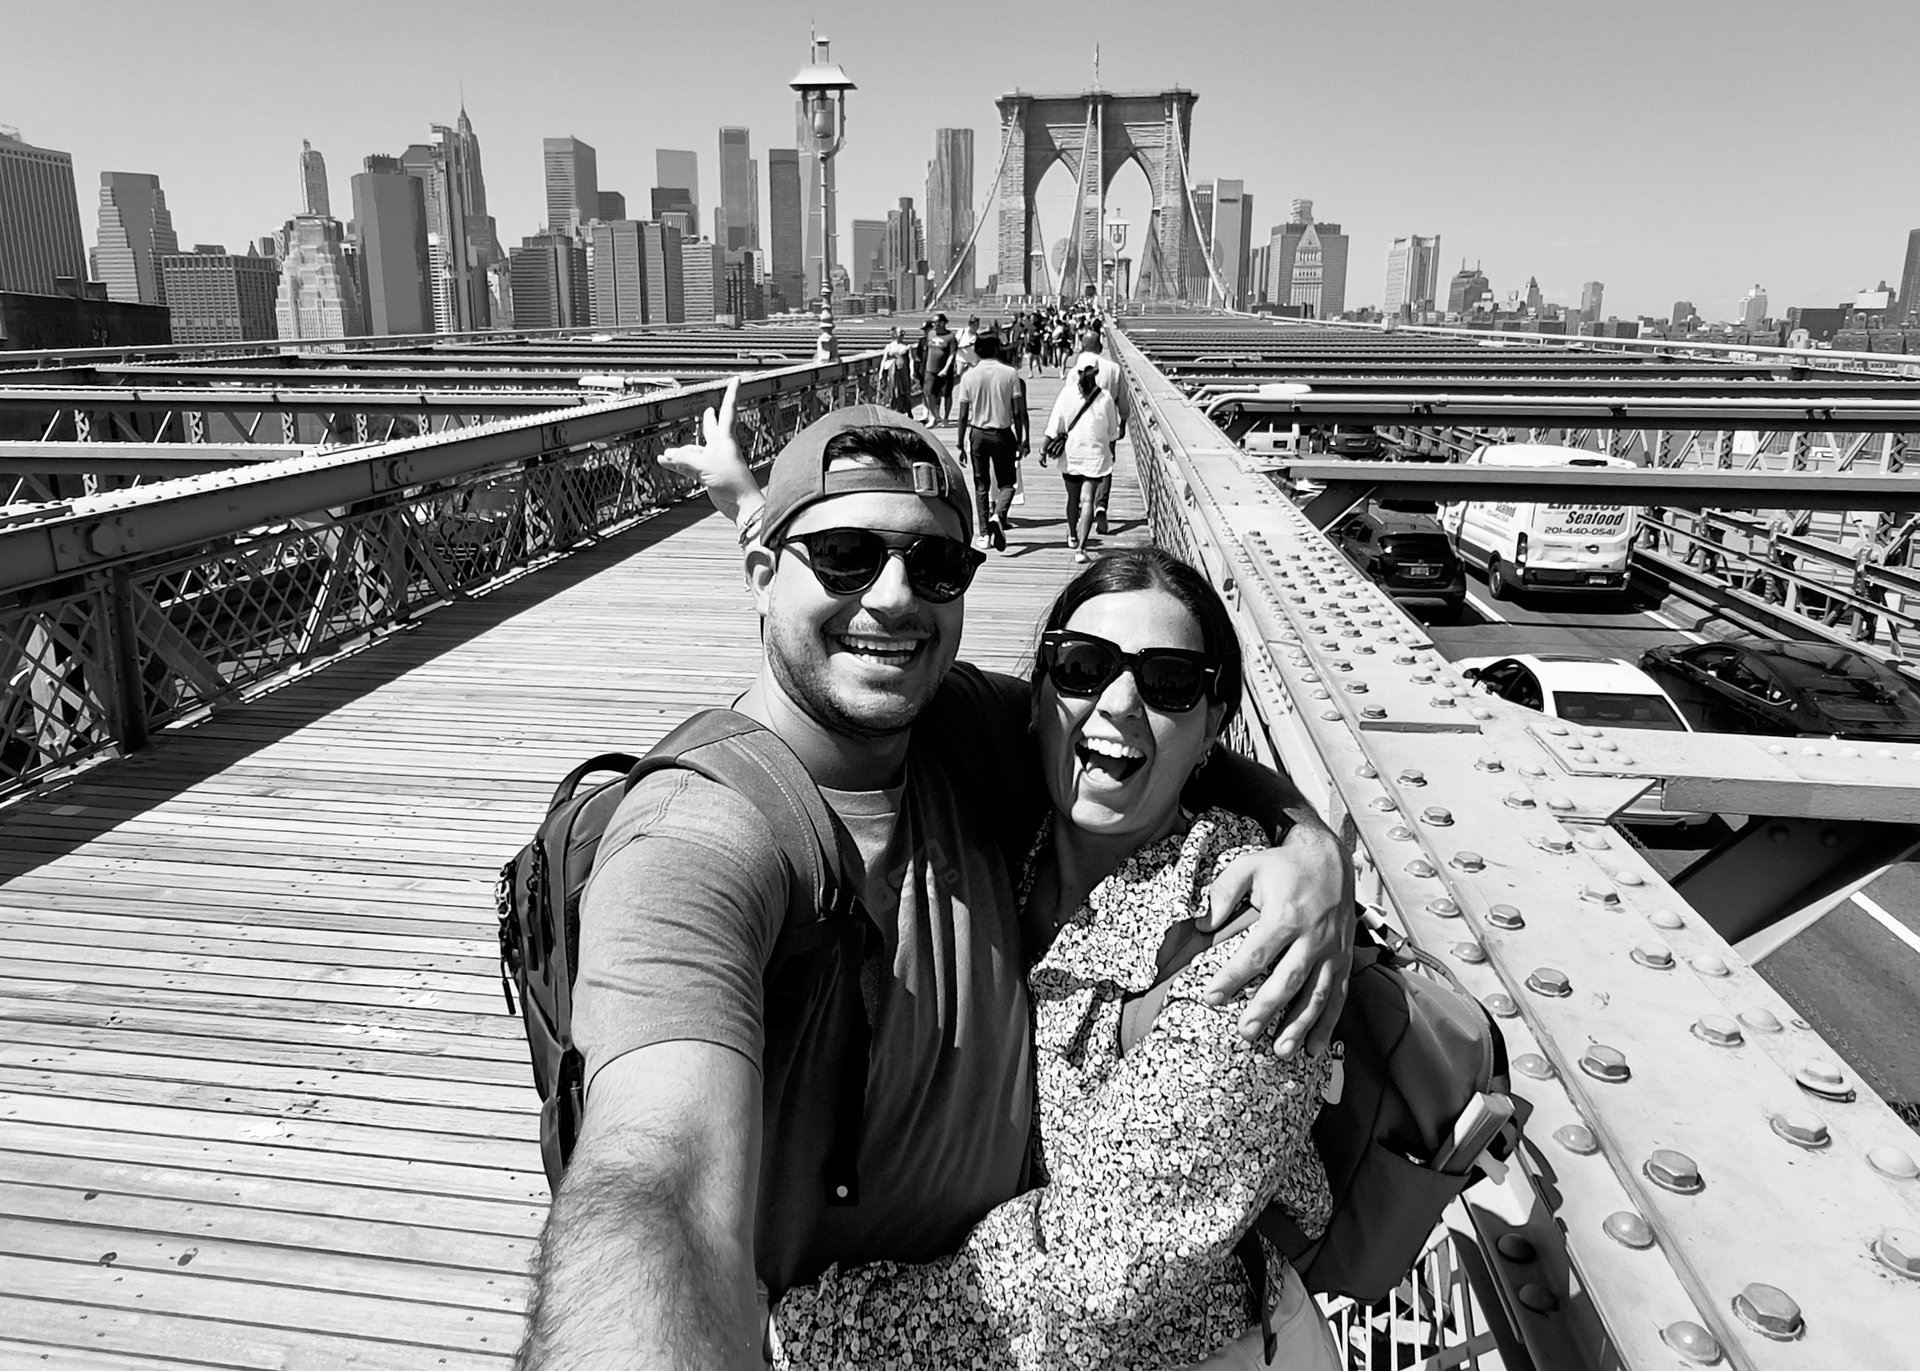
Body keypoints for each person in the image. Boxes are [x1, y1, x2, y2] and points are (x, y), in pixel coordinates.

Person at [516, 385, 1355, 1368]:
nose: (892, 596)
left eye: (936, 563)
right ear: (760, 573)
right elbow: (656, 1180)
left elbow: (1150, 740)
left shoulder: (959, 725)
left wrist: (1313, 846)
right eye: (844, 554)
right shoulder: (696, 841)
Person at [768, 548, 1342, 1369]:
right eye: (1082, 666)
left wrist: (799, 1336)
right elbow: (821, 655)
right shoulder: (1003, 842)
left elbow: (1094, 1276)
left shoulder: (1252, 936)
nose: (1119, 702)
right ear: (1037, 696)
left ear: (1214, 724)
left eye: (1170, 682)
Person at [955, 332, 1029, 551]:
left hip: (977, 434)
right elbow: (1018, 411)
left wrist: (960, 442)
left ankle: (984, 535)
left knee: (981, 485)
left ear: (977, 350)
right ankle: (998, 515)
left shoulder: (969, 376)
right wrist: (1021, 439)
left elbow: (962, 415)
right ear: (997, 349)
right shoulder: (1010, 374)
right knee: (1007, 483)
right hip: (1002, 434)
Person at [1045, 359, 1125, 562]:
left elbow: (1055, 424)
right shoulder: (1105, 397)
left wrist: (1043, 449)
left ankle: (1072, 535)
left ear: (1077, 372)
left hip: (1072, 453)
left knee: (1072, 498)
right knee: (1087, 500)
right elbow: (1113, 432)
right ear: (1096, 372)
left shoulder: (1066, 394)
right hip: (1095, 456)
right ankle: (1081, 549)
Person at [1071, 331, 1129, 537]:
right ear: (1100, 346)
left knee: (1080, 464)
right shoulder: (1114, 369)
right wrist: (1123, 422)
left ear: (1082, 346)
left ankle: (1083, 504)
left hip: (1079, 428)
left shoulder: (1075, 369)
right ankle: (1100, 506)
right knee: (1105, 465)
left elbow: (1068, 399)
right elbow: (1122, 399)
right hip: (1105, 423)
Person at [923, 313, 959, 425]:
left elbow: (952, 354)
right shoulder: (931, 334)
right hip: (930, 369)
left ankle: (946, 417)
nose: (934, 325)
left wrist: (945, 369)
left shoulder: (951, 336)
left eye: (936, 322)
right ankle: (934, 416)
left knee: (946, 394)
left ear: (943, 323)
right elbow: (927, 350)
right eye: (933, 323)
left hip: (944, 370)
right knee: (929, 392)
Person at [879, 326, 917, 416]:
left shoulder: (907, 346)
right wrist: (880, 372)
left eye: (903, 334)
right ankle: (895, 409)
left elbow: (911, 360)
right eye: (900, 333)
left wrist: (912, 371)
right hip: (892, 371)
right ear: (895, 334)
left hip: (903, 371)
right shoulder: (889, 346)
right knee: (893, 390)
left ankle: (908, 410)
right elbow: (884, 360)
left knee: (905, 391)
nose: (902, 335)